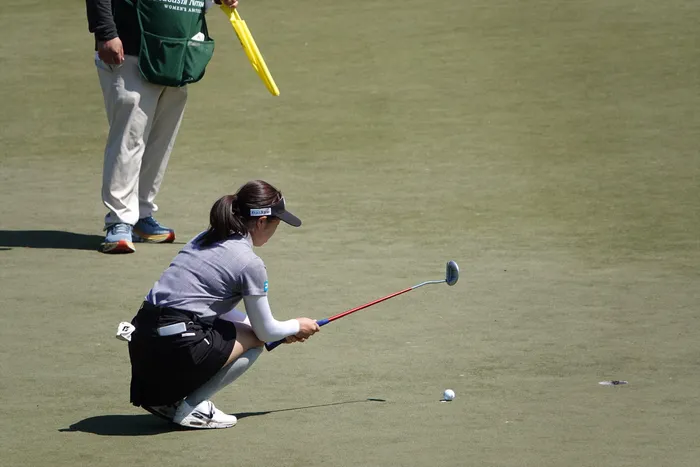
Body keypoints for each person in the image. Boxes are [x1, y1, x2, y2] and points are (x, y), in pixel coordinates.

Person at [127, 180, 321, 429]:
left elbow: (215, 308)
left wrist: (279, 332)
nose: (277, 229)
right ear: (262, 221)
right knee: (255, 341)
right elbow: (265, 332)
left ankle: (168, 402)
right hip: (175, 345)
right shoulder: (249, 263)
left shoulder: (205, 238)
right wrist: (296, 326)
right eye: (277, 222)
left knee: (247, 332)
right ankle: (193, 408)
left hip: (143, 340)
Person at [85, 0, 239, 253]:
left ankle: (141, 214)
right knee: (129, 139)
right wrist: (106, 33)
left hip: (177, 52)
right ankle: (120, 219)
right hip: (130, 50)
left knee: (160, 142)